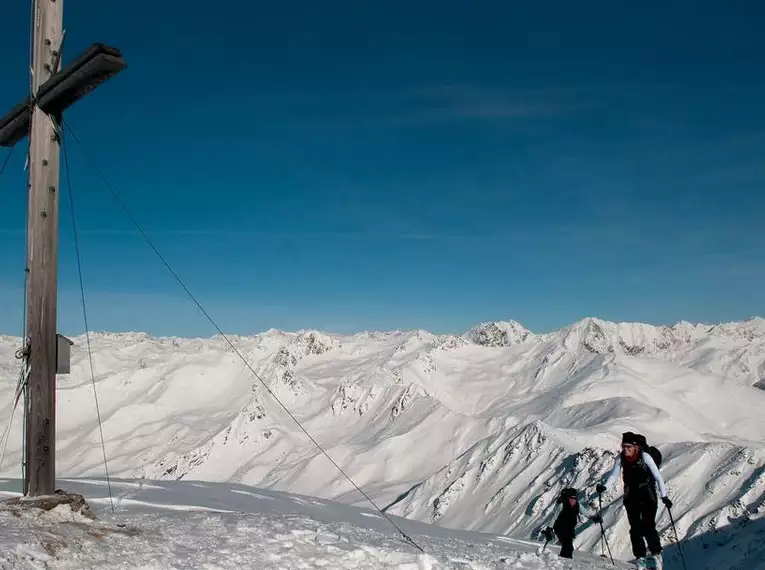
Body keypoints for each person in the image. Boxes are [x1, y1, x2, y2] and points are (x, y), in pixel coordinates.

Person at [597, 432, 672, 564]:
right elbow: (614, 475)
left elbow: (657, 477)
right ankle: (641, 558)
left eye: (628, 447)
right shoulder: (621, 458)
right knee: (635, 528)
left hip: (648, 494)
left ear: (635, 447)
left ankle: (656, 554)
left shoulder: (645, 457)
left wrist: (664, 496)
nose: (625, 449)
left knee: (648, 525)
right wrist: (605, 486)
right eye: (623, 446)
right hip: (631, 495)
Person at [543, 488, 600, 559]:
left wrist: (594, 518)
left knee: (568, 547)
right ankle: (563, 560)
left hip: (570, 529)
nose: (573, 500)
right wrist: (549, 528)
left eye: (575, 498)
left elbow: (586, 513)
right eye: (571, 498)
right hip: (560, 528)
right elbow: (554, 518)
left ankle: (561, 560)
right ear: (567, 498)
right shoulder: (562, 505)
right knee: (568, 546)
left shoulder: (578, 505)